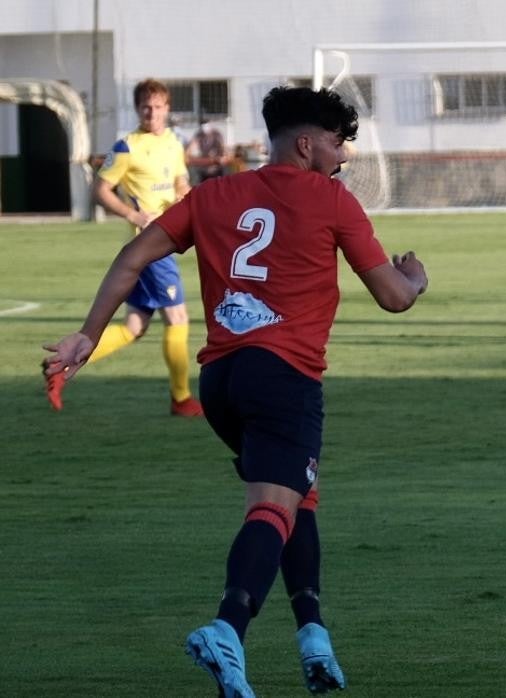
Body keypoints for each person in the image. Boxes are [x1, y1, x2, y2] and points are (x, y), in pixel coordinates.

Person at [41, 86, 429, 697]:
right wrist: (415, 276)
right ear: (305, 144)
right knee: (275, 505)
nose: (343, 157)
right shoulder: (331, 200)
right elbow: (393, 297)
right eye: (335, 143)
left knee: (300, 493)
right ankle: (227, 629)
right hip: (284, 378)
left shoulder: (213, 193)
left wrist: (88, 336)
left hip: (222, 381)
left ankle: (313, 637)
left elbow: (132, 255)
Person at [43, 78, 203, 415]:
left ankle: (62, 365)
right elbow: (100, 190)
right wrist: (133, 213)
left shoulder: (173, 143)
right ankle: (182, 399)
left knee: (134, 327)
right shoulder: (127, 146)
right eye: (145, 106)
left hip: (166, 241)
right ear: (137, 109)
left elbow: (180, 180)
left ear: (167, 108)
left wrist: (183, 191)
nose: (152, 112)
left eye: (158, 106)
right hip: (151, 245)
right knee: (178, 317)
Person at [187, 118, 228, 184]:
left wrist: (222, 157)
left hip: (216, 167)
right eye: (202, 126)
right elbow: (191, 147)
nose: (204, 128)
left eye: (206, 126)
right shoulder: (199, 135)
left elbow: (223, 148)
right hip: (204, 168)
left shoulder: (216, 134)